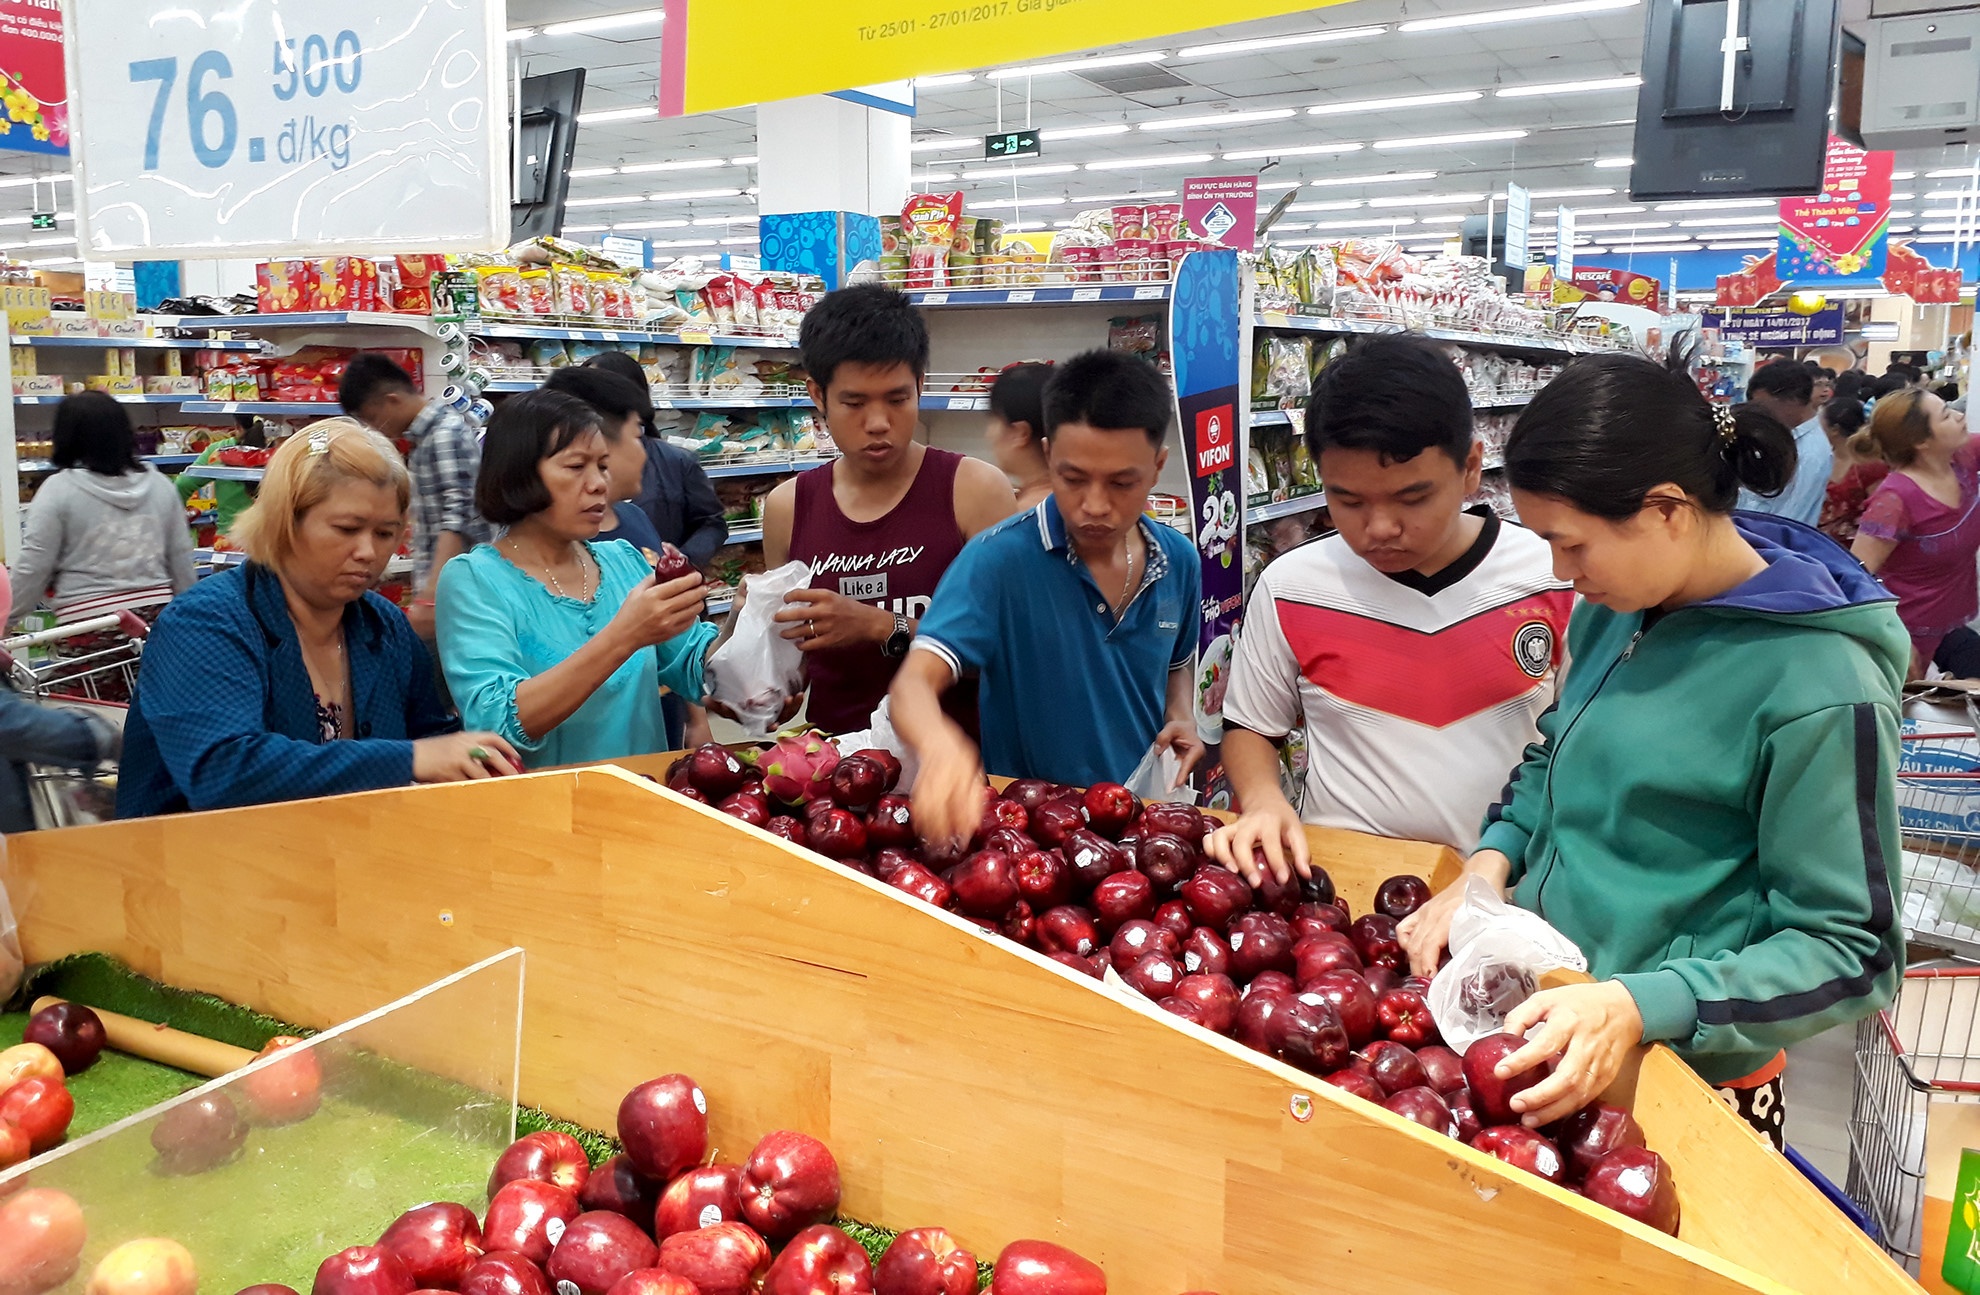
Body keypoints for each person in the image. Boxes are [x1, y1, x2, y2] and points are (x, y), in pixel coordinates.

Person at [1398, 344, 1905, 1150]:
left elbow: (1852, 949)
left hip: (1690, 1085)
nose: (1561, 572)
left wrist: (1645, 1001)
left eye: (1573, 544)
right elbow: (1555, 755)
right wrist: (1488, 866)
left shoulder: (1820, 685)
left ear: (1667, 510)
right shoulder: (1618, 606)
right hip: (1555, 1028)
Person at [1203, 334, 1572, 881]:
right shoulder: (1291, 586)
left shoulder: (1556, 578)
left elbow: (1577, 746)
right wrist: (1262, 800)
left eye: (1412, 498)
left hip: (1503, 886)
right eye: (1348, 500)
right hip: (1342, 884)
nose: (1378, 528)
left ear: (1472, 466)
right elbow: (1252, 725)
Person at [116, 420, 519, 818]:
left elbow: (431, 735)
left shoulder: (385, 625)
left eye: (385, 534)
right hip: (189, 857)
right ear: (285, 522)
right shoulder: (205, 623)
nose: (368, 552)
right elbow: (223, 770)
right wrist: (410, 759)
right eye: (347, 529)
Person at [893, 349, 1204, 846]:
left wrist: (1181, 715)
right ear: (1047, 454)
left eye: (1122, 483)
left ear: (1157, 466)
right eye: (1073, 478)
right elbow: (913, 685)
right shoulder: (998, 561)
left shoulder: (1179, 561)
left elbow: (1176, 663)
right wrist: (939, 746)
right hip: (1029, 836)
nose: (1095, 505)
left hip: (1138, 824)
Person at [763, 284, 1015, 734]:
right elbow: (792, 658)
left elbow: (1012, 656)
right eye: (854, 403)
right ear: (818, 395)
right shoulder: (789, 506)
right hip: (834, 765)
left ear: (920, 386)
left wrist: (882, 626)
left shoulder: (974, 491)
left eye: (898, 400)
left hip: (956, 764)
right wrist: (764, 680)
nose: (878, 423)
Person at [436, 390, 716, 768]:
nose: (599, 483)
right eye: (576, 466)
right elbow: (497, 722)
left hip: (645, 797)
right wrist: (625, 636)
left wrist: (751, 628)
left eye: (602, 465)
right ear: (518, 474)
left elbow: (694, 662)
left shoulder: (625, 561)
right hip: (549, 803)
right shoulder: (474, 579)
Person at [543, 364, 712, 749]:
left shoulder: (633, 524)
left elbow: (679, 646)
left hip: (654, 736)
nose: (647, 451)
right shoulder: (499, 572)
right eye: (638, 435)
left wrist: (698, 715)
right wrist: (629, 633)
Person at [337, 354, 492, 645]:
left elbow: (457, 519)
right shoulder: (426, 438)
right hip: (447, 590)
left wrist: (432, 595)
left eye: (373, 418)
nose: (375, 429)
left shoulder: (444, 435)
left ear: (392, 400)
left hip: (457, 594)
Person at [9, 392, 195, 625]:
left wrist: (7, 618)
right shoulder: (160, 485)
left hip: (87, 620)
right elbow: (181, 557)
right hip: (158, 617)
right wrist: (190, 615)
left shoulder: (59, 489)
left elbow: (35, 565)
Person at [1849, 389, 1980, 679]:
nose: (1959, 415)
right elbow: (1854, 577)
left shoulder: (1965, 456)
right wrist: (1892, 638)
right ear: (1921, 441)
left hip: (1950, 625)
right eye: (1945, 415)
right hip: (1903, 635)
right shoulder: (1895, 500)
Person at [583, 349, 731, 567]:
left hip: (662, 581)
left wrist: (682, 561)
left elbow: (712, 523)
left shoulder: (676, 461)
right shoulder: (569, 465)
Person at [1734, 362, 1822, 526]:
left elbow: (1786, 519)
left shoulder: (1810, 453)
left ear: (1793, 400)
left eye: (1763, 407)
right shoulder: (1787, 437)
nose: (1760, 415)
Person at [1817, 397, 1886, 545]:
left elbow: (1879, 515)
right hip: (1817, 541)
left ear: (1835, 430)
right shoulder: (1822, 457)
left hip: (1852, 547)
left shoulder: (1869, 466)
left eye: (1820, 422)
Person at [985, 362, 1054, 510]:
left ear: (1020, 433)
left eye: (994, 420)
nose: (989, 434)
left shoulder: (1023, 515)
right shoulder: (1071, 502)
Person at [174, 423, 263, 537]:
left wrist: (179, 518)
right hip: (274, 540)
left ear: (238, 426)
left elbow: (182, 485)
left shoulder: (218, 451)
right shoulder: (281, 451)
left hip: (230, 538)